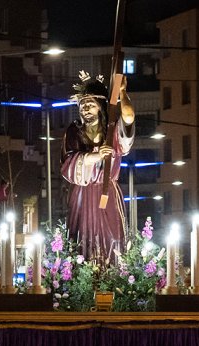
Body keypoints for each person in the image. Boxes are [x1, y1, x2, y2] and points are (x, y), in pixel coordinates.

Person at [61, 72, 134, 259]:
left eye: (91, 104)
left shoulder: (112, 131)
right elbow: (68, 164)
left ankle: (112, 275)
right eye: (82, 105)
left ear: (101, 107)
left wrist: (123, 93)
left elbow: (128, 117)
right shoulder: (74, 131)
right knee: (81, 239)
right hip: (82, 194)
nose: (85, 109)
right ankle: (81, 273)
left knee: (112, 239)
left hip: (108, 193)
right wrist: (95, 156)